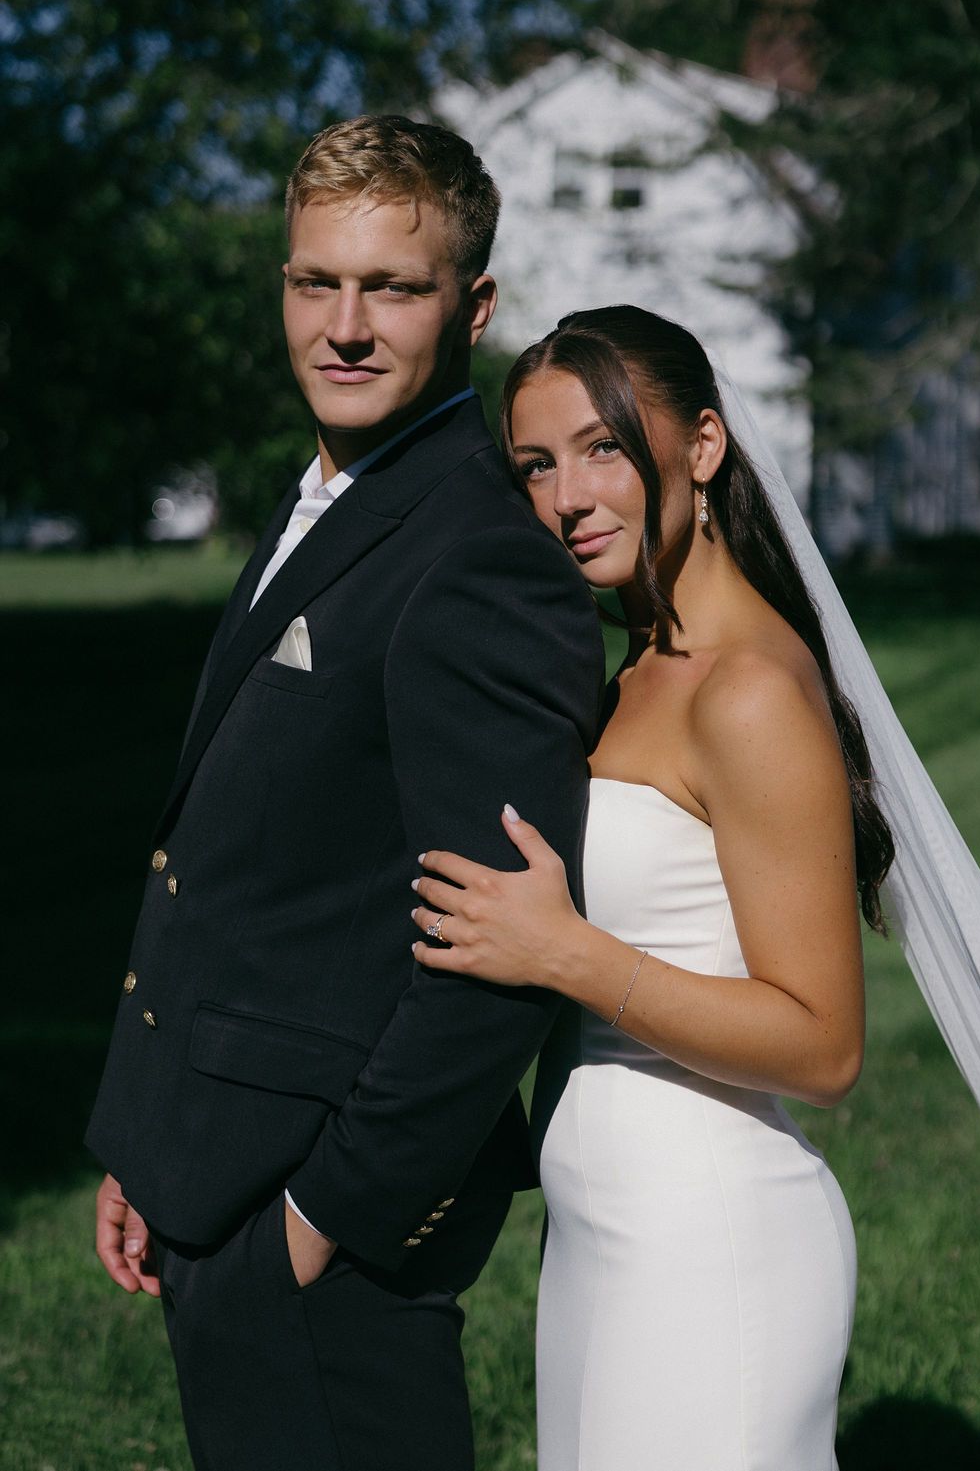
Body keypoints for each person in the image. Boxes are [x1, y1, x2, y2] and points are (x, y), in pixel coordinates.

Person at [85, 118, 605, 1471]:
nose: (346, 327)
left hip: (323, 1225)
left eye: (394, 288)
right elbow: (244, 863)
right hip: (220, 1167)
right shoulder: (324, 492)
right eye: (317, 282)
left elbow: (499, 957)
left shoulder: (482, 556)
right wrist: (154, 1136)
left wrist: (322, 1221)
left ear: (474, 307)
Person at [408, 303, 890, 1469]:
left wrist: (567, 953)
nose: (566, 497)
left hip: (710, 1244)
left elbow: (824, 1045)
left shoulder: (746, 691)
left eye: (602, 448)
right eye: (535, 464)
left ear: (703, 447)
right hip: (598, 1236)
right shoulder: (633, 672)